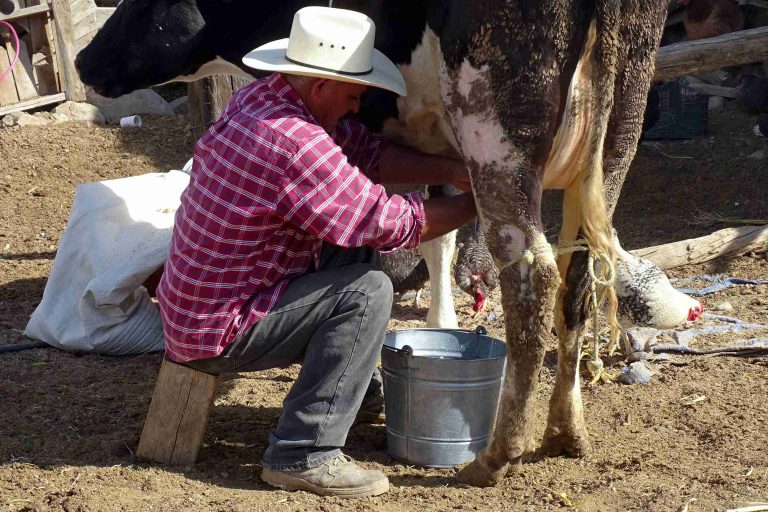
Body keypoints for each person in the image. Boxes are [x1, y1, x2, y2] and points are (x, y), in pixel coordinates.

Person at [156, 6, 477, 498]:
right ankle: (301, 453)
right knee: (367, 290)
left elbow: (367, 155)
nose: (356, 107)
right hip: (218, 329)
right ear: (322, 87)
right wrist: (478, 203)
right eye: (352, 95)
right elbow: (390, 221)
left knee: (353, 256)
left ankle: (351, 388)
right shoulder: (294, 141)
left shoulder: (267, 101)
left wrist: (446, 169)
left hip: (208, 304)